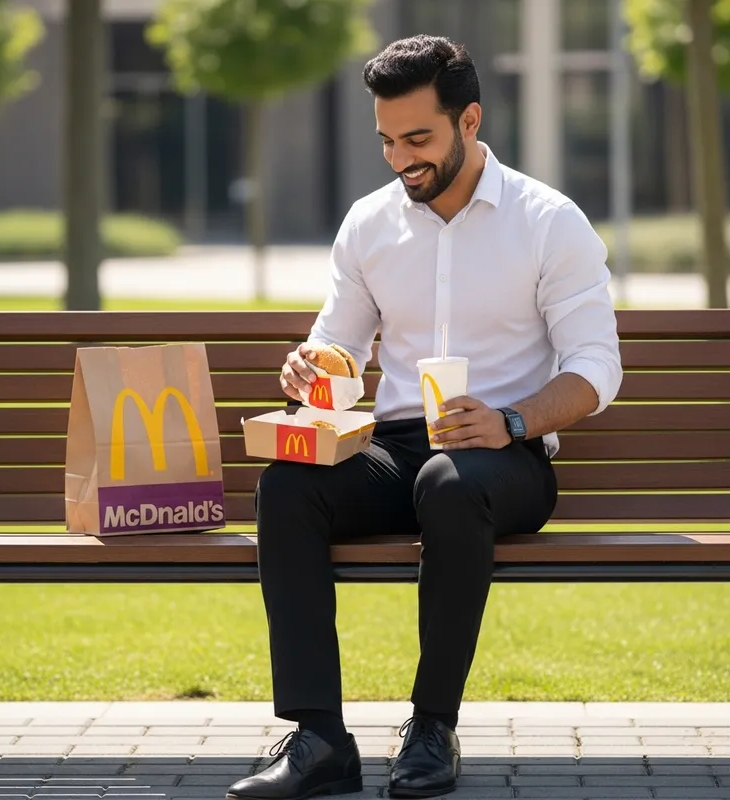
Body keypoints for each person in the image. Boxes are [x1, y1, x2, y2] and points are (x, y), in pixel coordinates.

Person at [226, 34, 622, 800]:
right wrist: (311, 365)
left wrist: (511, 420)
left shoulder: (548, 222)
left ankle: (431, 728)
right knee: (289, 486)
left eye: (418, 139)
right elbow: (338, 341)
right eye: (386, 140)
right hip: (397, 445)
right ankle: (319, 739)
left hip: (506, 456)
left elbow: (595, 369)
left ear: (469, 121)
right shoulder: (371, 224)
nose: (400, 158)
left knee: (449, 480)